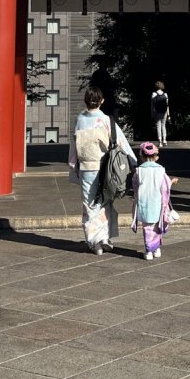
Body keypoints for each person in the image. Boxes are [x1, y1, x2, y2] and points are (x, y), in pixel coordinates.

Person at [68, 86, 136, 255]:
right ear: (102, 101)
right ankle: (105, 237)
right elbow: (121, 142)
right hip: (106, 167)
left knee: (90, 204)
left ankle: (95, 242)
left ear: (85, 101)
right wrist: (133, 162)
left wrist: (73, 164)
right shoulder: (106, 120)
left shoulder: (80, 120)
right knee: (106, 201)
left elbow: (74, 146)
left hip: (86, 167)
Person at [130, 141, 178, 260]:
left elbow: (135, 187)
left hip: (144, 202)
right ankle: (156, 249)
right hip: (157, 202)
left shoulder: (139, 171)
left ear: (141, 156)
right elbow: (165, 187)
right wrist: (172, 182)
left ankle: (148, 251)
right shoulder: (160, 170)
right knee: (157, 226)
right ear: (156, 157)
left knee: (147, 227)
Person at [150, 80, 170, 146]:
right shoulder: (165, 94)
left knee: (158, 126)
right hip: (164, 112)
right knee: (163, 125)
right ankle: (164, 140)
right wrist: (168, 115)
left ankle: (160, 142)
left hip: (157, 112)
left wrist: (152, 114)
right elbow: (167, 105)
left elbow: (152, 105)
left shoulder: (154, 94)